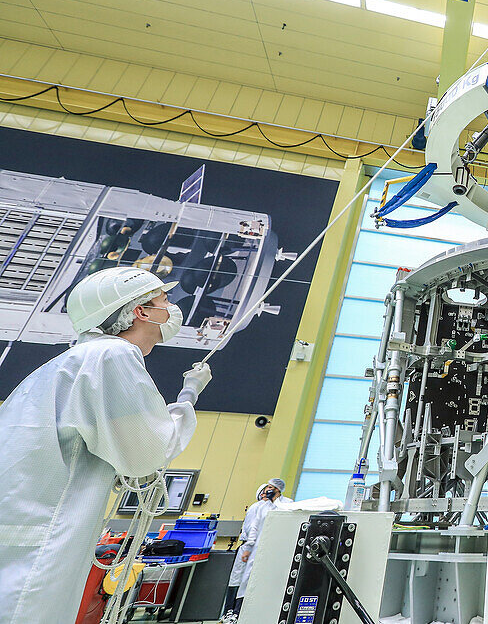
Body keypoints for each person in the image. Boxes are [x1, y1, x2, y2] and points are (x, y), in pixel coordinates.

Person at [0, 266, 212, 624]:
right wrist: (188, 395)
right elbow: (144, 454)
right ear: (140, 311)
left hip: (24, 530)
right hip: (43, 539)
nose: (171, 308)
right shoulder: (112, 355)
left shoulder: (63, 365)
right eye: (164, 301)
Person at [222, 477, 293, 621]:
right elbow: (250, 529)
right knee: (239, 580)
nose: (267, 492)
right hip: (250, 547)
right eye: (265, 489)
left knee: (251, 581)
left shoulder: (285, 504)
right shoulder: (257, 507)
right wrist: (248, 547)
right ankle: (231, 612)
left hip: (267, 548)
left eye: (271, 488)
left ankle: (240, 612)